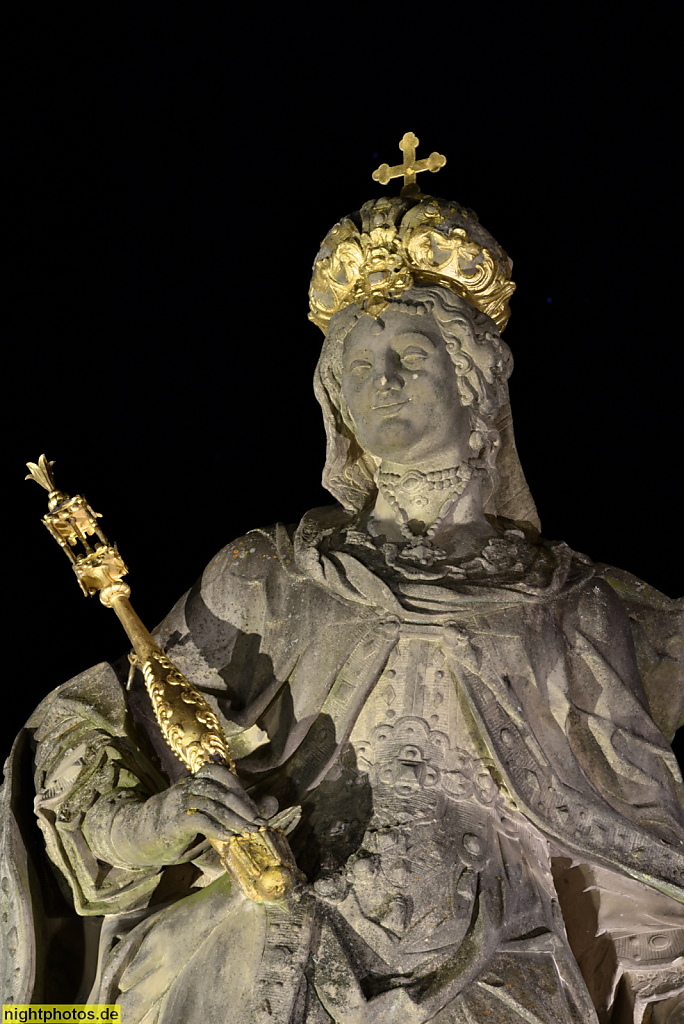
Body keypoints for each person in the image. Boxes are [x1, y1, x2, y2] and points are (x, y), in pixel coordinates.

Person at [2, 186, 683, 1023]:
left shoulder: (578, 608)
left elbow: (643, 857)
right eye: (359, 366)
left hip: (498, 963)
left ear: (477, 386)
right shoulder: (266, 580)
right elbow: (89, 741)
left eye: (414, 356)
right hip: (269, 939)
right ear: (337, 406)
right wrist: (160, 820)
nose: (385, 381)